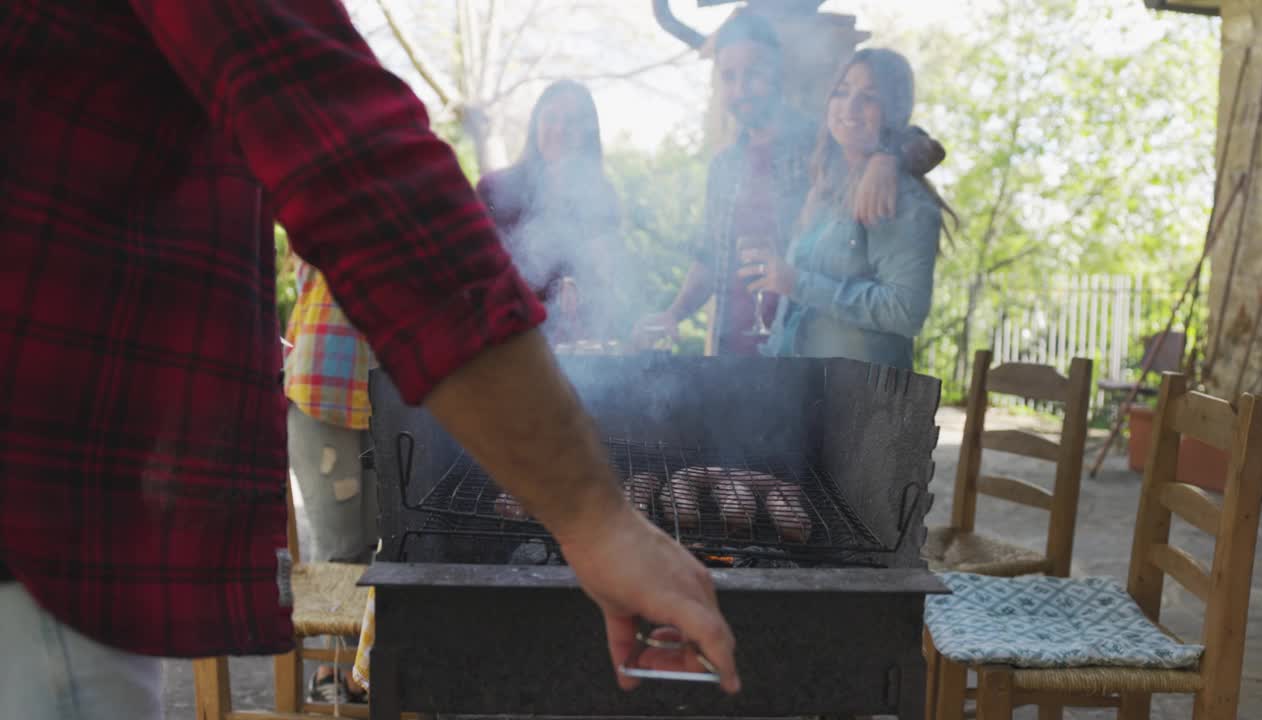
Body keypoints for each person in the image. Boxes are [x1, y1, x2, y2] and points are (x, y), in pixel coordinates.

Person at [0, 3, 738, 718]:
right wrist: (594, 517)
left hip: (47, 527)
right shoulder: (498, 189)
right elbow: (360, 170)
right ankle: (338, 690)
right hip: (32, 542)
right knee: (345, 547)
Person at [633, 12, 946, 357]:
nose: (741, 89)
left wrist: (887, 157)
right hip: (738, 345)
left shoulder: (821, 143)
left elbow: (922, 144)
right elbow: (708, 256)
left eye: (753, 75)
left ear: (777, 72)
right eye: (729, 77)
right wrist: (673, 313)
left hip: (817, 357)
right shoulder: (724, 165)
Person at [745, 48, 950, 369]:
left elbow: (904, 312)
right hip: (801, 387)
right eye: (841, 92)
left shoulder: (898, 197)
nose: (850, 107)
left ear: (894, 111)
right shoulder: (827, 186)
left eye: (869, 97)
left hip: (862, 401)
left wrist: (796, 282)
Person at [282, 256, 378, 703]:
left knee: (384, 543)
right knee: (340, 549)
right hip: (324, 391)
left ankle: (367, 671)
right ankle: (331, 675)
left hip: (384, 389)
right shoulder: (331, 199)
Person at [478, 80, 624, 344]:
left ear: (587, 133)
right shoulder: (494, 189)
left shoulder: (601, 197)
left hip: (576, 349)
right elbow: (479, 275)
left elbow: (607, 279)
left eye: (572, 121)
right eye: (552, 117)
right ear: (535, 124)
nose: (559, 129)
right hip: (507, 343)